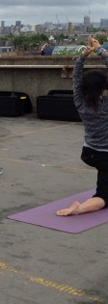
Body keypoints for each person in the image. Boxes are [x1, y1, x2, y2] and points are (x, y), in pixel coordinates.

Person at [57, 36, 108, 216]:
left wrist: (84, 55)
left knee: (104, 172)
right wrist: (100, 50)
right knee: (104, 197)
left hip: (89, 153)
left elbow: (76, 78)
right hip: (105, 155)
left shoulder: (80, 101)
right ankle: (79, 209)